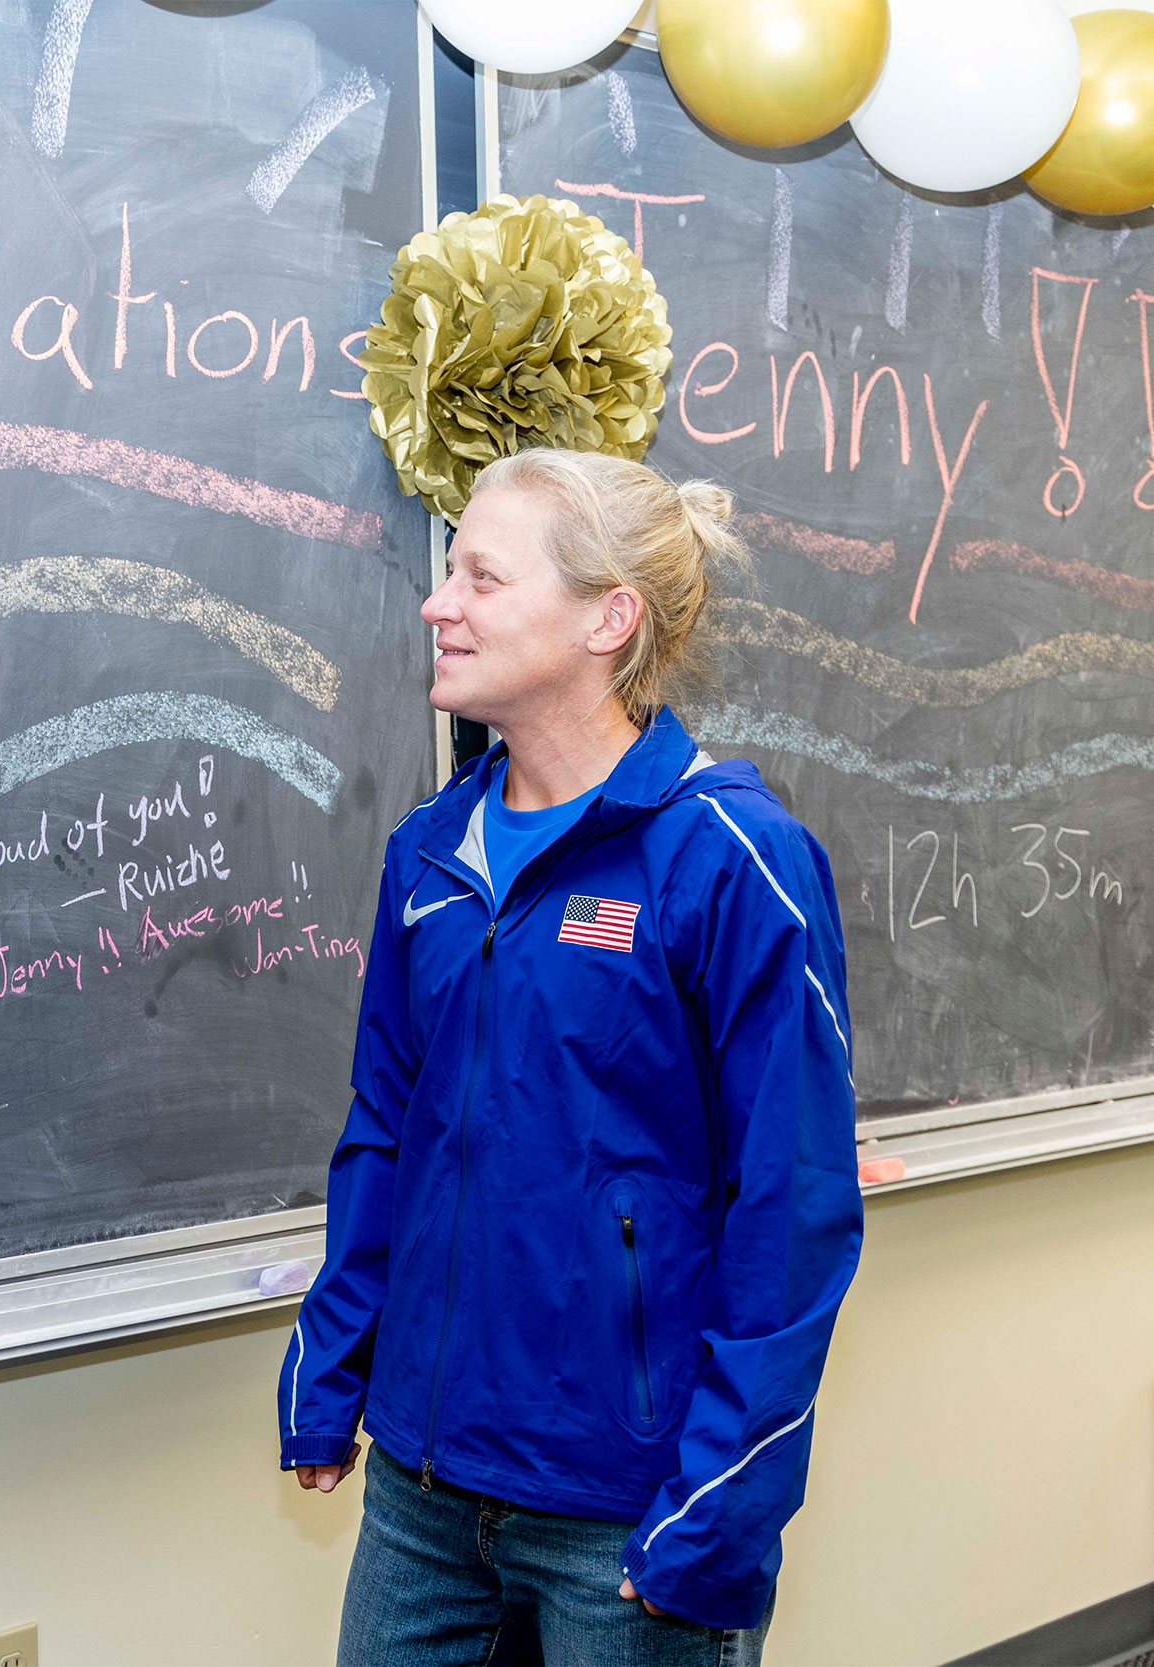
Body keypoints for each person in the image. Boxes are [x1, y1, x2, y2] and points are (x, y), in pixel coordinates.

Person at [278, 447, 862, 1665]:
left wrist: (716, 1511)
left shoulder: (729, 859)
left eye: (481, 577)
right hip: (422, 1491)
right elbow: (386, 1129)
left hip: (628, 1510)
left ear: (609, 617)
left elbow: (793, 1210)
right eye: (449, 575)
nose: (439, 605)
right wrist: (327, 1372)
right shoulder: (428, 854)